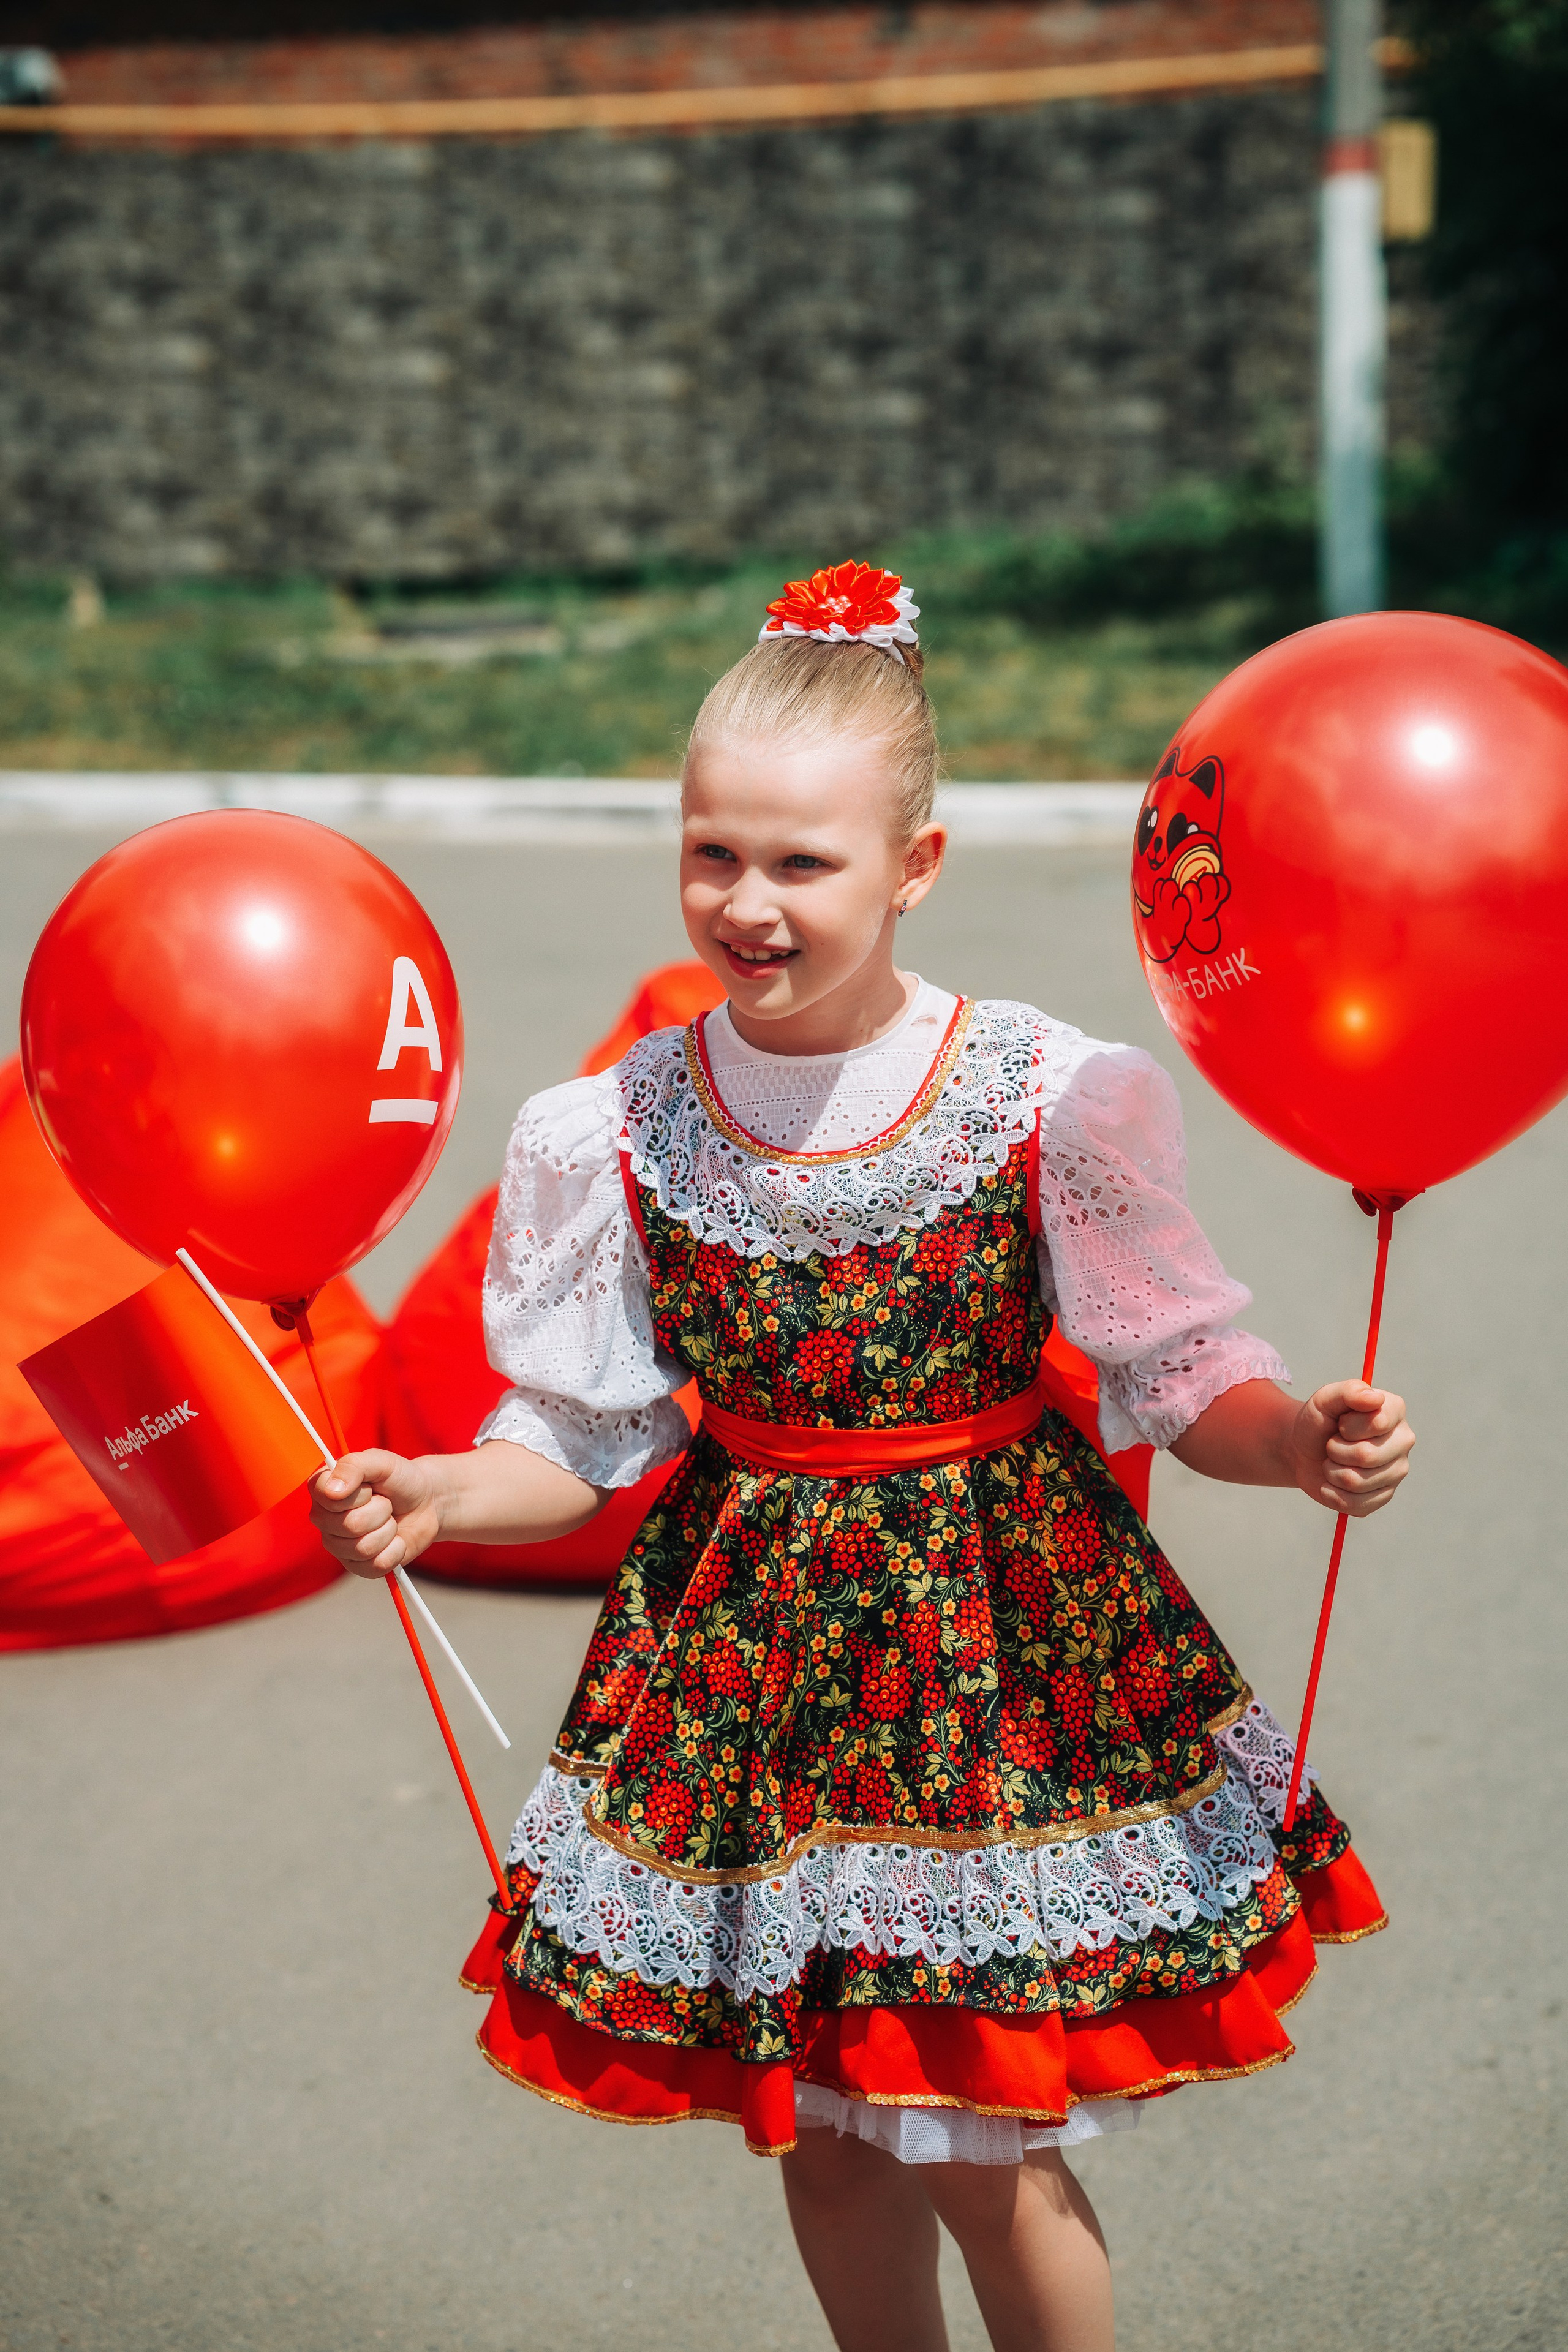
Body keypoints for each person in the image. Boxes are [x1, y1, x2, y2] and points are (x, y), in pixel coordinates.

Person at [311, 562, 1415, 2352]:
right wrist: (441, 1489)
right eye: (712, 854)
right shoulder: (615, 1126)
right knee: (822, 2142)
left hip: (992, 1662)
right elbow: (581, 1439)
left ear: (916, 868)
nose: (747, 904)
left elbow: (1178, 1366)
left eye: (802, 863)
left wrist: (1294, 1440)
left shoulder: (1045, 1092)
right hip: (754, 1669)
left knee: (985, 2137)